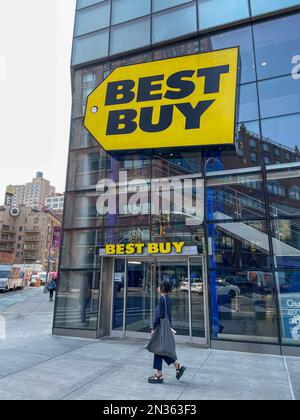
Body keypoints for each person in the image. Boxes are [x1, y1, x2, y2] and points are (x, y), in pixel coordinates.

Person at [148, 280, 186, 384]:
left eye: (159, 286)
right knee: (161, 349)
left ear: (162, 288)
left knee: (158, 348)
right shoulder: (168, 299)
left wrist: (153, 327)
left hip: (161, 327)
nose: (158, 288)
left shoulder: (161, 299)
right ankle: (177, 366)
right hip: (167, 326)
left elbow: (159, 315)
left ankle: (159, 375)